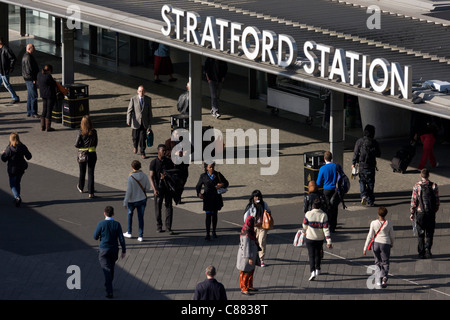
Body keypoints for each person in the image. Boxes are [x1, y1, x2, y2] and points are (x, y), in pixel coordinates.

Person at [93, 206, 126, 299]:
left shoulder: (101, 224)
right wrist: (124, 250)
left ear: (104, 213)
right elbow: (121, 238)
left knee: (106, 269)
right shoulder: (117, 224)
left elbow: (95, 236)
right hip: (114, 250)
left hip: (103, 250)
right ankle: (108, 283)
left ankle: (109, 291)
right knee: (111, 267)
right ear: (113, 214)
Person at [410, 168, 440, 259]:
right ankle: (428, 250)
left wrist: (412, 212)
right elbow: (437, 201)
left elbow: (414, 201)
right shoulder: (434, 185)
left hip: (420, 213)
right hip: (430, 213)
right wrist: (434, 210)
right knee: (430, 232)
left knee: (421, 233)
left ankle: (421, 252)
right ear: (429, 175)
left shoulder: (416, 186)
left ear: (421, 175)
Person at [196, 161, 229, 240]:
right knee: (208, 216)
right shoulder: (203, 176)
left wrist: (222, 185)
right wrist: (199, 193)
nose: (212, 168)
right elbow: (198, 186)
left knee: (214, 215)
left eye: (213, 167)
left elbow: (226, 183)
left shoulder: (218, 174)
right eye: (210, 167)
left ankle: (214, 231)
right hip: (207, 198)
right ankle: (207, 233)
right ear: (206, 168)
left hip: (216, 198)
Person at [363, 207, 395, 288]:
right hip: (385, 244)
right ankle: (384, 278)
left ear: (378, 214)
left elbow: (370, 235)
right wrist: (392, 243)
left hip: (376, 244)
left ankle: (378, 280)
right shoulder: (389, 223)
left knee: (377, 262)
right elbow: (392, 236)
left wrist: (365, 247)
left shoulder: (373, 223)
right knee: (385, 262)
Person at [302, 198, 332, 281]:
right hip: (319, 238)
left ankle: (312, 271)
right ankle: (318, 268)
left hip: (310, 237)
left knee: (311, 255)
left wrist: (304, 231)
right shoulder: (323, 215)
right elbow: (326, 229)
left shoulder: (308, 214)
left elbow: (304, 225)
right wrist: (329, 241)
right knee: (318, 253)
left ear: (312, 206)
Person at [352, 124, 381, 207]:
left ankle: (363, 195)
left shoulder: (359, 141)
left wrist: (353, 163)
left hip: (361, 166)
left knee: (362, 181)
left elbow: (355, 153)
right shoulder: (374, 142)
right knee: (371, 183)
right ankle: (370, 200)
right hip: (371, 166)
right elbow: (379, 154)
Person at [1, 132, 32, 207]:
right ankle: (17, 196)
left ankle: (17, 197)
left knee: (12, 185)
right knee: (18, 182)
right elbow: (29, 156)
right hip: (21, 168)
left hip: (12, 169)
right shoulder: (22, 146)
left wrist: (4, 153)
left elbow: (4, 159)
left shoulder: (9, 148)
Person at [149, 144, 175, 234]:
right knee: (158, 207)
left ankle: (168, 227)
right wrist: (154, 189)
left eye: (165, 150)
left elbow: (173, 174)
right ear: (158, 151)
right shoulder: (154, 162)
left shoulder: (169, 162)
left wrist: (167, 176)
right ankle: (159, 226)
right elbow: (151, 176)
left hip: (167, 187)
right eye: (163, 150)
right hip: (158, 188)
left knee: (169, 207)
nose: (164, 152)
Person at [123, 160, 151, 242]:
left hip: (132, 201)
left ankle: (129, 232)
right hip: (142, 199)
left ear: (132, 167)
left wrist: (125, 202)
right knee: (140, 217)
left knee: (129, 215)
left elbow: (129, 191)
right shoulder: (144, 176)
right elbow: (148, 187)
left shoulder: (131, 177)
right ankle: (140, 235)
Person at [243, 190, 271, 267]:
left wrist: (266, 215)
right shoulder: (250, 206)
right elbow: (246, 218)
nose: (257, 198)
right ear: (253, 197)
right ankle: (252, 257)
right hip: (253, 227)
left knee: (261, 242)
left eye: (258, 196)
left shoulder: (264, 204)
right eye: (255, 196)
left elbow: (269, 211)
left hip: (262, 226)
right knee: (253, 243)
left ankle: (261, 259)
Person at [37, 64, 68, 132]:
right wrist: (53, 80)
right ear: (49, 70)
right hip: (50, 95)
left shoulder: (39, 74)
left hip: (43, 94)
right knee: (49, 110)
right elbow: (53, 84)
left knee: (44, 109)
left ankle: (42, 126)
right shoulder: (48, 76)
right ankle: (48, 127)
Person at [316, 151, 340, 233]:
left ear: (324, 159)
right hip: (335, 190)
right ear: (331, 158)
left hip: (326, 190)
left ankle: (328, 224)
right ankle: (333, 225)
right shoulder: (336, 166)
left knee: (327, 207)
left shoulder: (322, 168)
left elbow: (318, 182)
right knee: (335, 207)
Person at [127, 85, 153, 159]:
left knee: (142, 138)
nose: (141, 92)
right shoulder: (133, 99)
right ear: (137, 91)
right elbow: (129, 110)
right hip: (136, 122)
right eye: (140, 91)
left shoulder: (148, 99)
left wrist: (150, 122)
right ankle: (135, 146)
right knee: (135, 137)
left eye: (142, 91)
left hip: (144, 122)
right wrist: (128, 120)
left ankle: (142, 152)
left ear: (145, 92)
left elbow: (149, 112)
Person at [75, 115, 98, 198]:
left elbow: (76, 144)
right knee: (91, 173)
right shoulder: (94, 131)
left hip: (82, 154)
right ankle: (91, 192)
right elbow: (96, 143)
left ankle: (81, 187)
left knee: (82, 172)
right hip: (92, 153)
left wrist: (82, 146)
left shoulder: (80, 132)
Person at [236, 216, 259, 295]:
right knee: (245, 272)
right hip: (246, 258)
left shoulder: (249, 230)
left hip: (251, 255)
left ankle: (249, 286)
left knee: (250, 271)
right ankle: (244, 288)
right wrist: (249, 258)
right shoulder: (246, 234)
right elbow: (245, 247)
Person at [22, 43, 40, 118]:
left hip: (27, 78)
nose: (34, 49)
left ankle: (29, 111)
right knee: (34, 96)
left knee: (30, 95)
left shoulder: (26, 56)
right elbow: (30, 69)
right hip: (30, 79)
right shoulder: (28, 57)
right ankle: (33, 112)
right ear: (29, 49)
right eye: (33, 47)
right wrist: (34, 79)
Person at [0, 38, 20, 104]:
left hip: (4, 70)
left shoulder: (6, 49)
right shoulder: (2, 49)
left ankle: (15, 97)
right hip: (1, 70)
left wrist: (11, 67)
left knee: (7, 85)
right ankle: (15, 97)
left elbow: (13, 58)